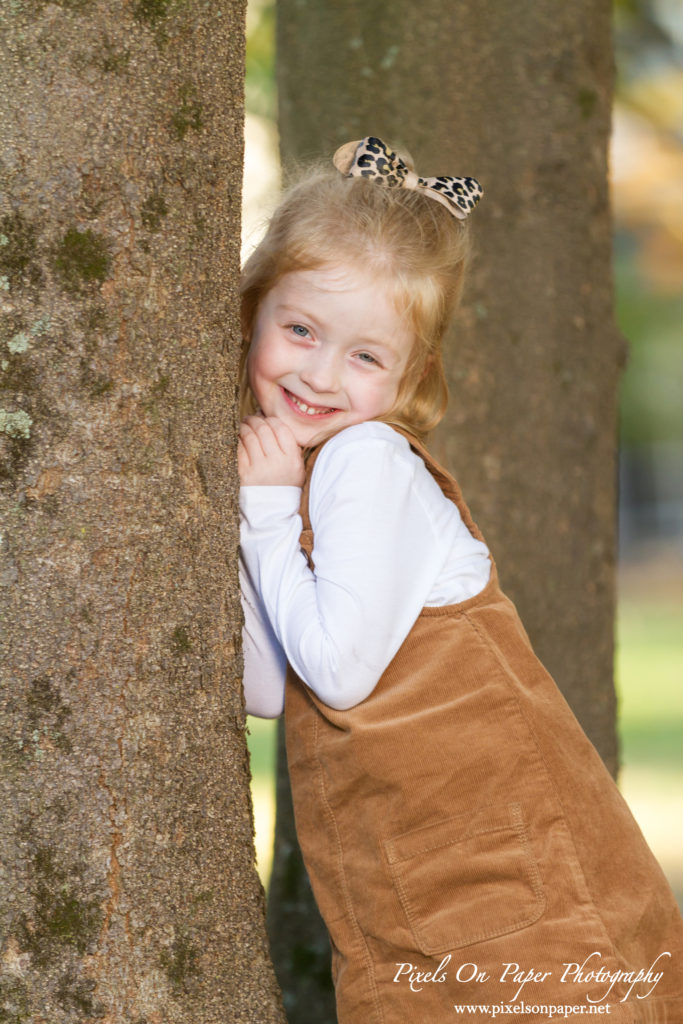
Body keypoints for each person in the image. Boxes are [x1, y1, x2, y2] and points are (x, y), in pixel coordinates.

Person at [238, 137, 683, 1024]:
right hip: (426, 891)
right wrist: (262, 520)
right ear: (253, 312)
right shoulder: (310, 472)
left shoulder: (366, 459)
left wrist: (263, 511)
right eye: (300, 331)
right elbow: (260, 686)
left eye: (366, 357)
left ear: (411, 375)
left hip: (502, 896)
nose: (321, 374)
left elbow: (334, 673)